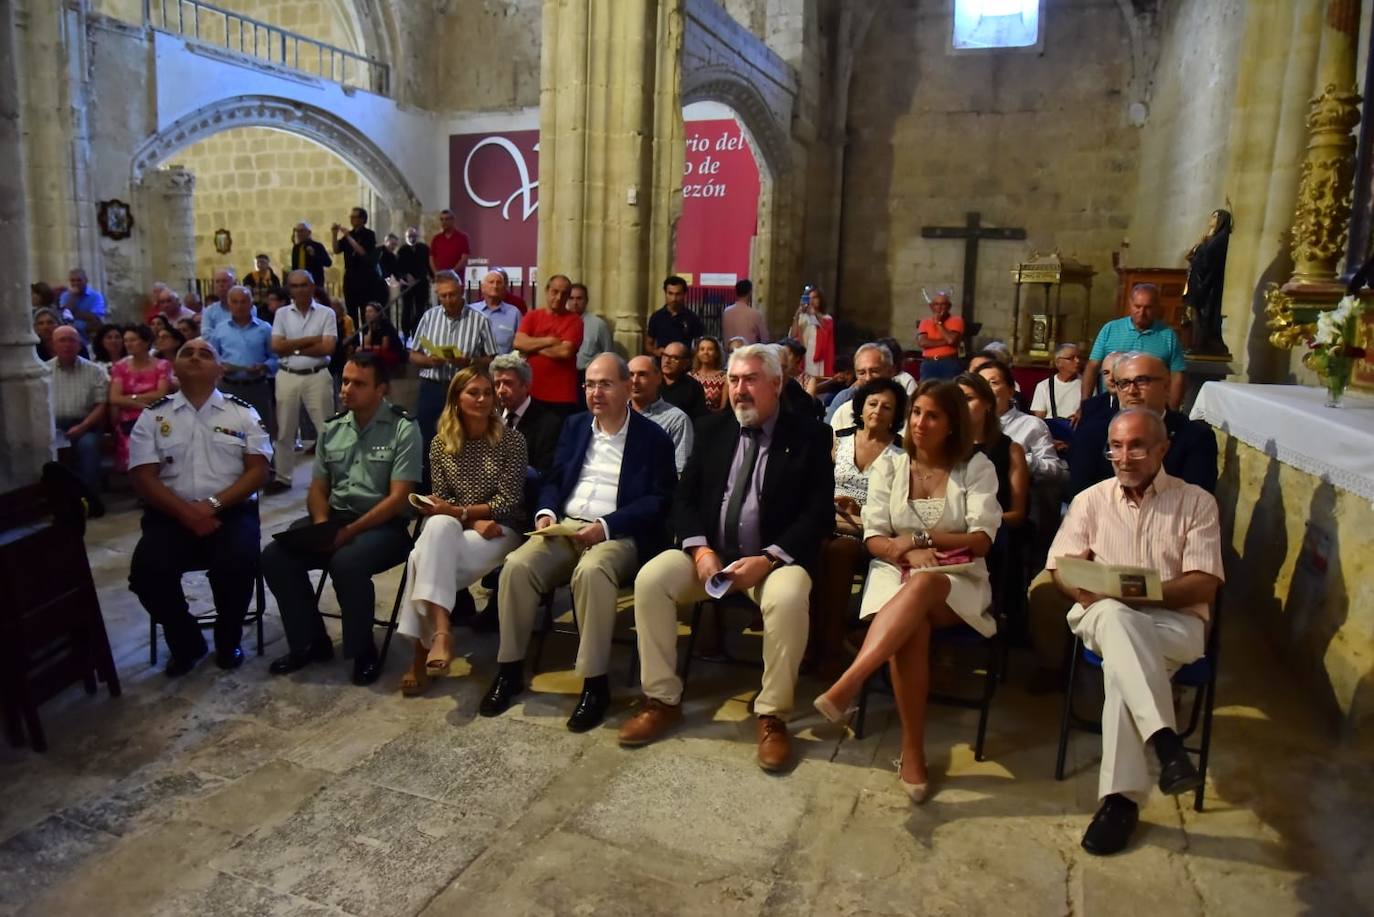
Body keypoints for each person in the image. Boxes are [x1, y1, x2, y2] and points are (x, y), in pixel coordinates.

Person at [620, 343, 834, 771]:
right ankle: (661, 699)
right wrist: (699, 549)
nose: (739, 390)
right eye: (734, 380)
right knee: (651, 580)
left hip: (773, 562)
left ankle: (772, 715)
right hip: (711, 557)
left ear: (776, 384)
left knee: (790, 597)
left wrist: (769, 559)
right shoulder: (712, 429)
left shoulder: (810, 436)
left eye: (750, 380)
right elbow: (684, 499)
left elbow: (818, 514)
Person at [1044, 408, 1223, 855]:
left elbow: (1204, 582)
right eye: (1116, 447)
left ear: (1162, 449)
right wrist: (1082, 587)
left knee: (1124, 663)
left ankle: (1122, 801)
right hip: (1100, 615)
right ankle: (1166, 747)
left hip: (1174, 624)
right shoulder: (1091, 500)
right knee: (1115, 619)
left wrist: (1142, 595)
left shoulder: (1196, 502)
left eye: (1138, 445)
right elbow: (1059, 568)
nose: (1124, 457)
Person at [814, 380, 1002, 801]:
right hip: (895, 573)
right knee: (911, 627)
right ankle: (912, 751)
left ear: (952, 423)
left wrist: (917, 542)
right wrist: (904, 554)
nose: (920, 422)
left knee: (928, 582)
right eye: (916, 412)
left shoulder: (976, 467)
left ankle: (851, 681)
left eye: (932, 415)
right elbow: (874, 536)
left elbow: (981, 539)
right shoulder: (891, 465)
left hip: (959, 579)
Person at [486, 353, 678, 732]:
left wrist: (605, 526)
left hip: (618, 532)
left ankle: (595, 684)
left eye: (605, 384)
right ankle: (509, 670)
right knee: (517, 566)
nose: (595, 392)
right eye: (589, 384)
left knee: (591, 571)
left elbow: (659, 500)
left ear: (627, 387)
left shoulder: (652, 437)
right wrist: (546, 511)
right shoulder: (574, 426)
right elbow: (553, 480)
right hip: (567, 525)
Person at [262, 353, 422, 685]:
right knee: (276, 557)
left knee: (347, 563)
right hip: (334, 519)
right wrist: (322, 525)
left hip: (384, 526)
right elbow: (317, 488)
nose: (346, 389)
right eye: (345, 381)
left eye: (358, 384)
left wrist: (348, 532)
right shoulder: (333, 429)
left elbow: (398, 498)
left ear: (381, 389)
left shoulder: (403, 428)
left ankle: (363, 650)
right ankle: (310, 642)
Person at [127, 338, 272, 675]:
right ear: (173, 368)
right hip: (169, 514)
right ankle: (186, 641)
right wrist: (186, 512)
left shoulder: (242, 413)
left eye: (205, 354)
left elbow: (259, 470)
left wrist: (212, 505)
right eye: (186, 353)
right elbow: (142, 477)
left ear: (220, 371)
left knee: (237, 564)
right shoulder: (153, 417)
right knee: (147, 573)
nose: (195, 357)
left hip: (230, 511)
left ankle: (228, 638)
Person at [396, 367, 527, 696]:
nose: (483, 399)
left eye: (487, 392)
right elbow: (442, 498)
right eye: (474, 392)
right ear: (456, 399)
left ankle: (421, 653)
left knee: (418, 558)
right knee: (437, 526)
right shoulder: (441, 443)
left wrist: (465, 513)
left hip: (501, 529)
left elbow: (509, 500)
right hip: (460, 527)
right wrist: (465, 517)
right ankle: (442, 631)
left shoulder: (511, 440)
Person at [808, 377, 907, 675]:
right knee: (813, 548)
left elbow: (900, 507)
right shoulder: (840, 438)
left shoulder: (902, 454)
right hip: (829, 521)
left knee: (839, 551)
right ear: (861, 406)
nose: (878, 410)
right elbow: (818, 484)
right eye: (873, 403)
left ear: (896, 415)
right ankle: (808, 641)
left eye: (887, 406)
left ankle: (831, 648)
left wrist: (863, 508)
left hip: (872, 531)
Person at [1068, 352, 1217, 497]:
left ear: (1166, 386)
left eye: (1142, 381)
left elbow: (1196, 498)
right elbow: (1080, 494)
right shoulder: (1090, 435)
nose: (1132, 391)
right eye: (1124, 383)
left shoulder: (1196, 438)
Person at [410, 269, 498, 456]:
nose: (449, 300)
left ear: (462, 290)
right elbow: (413, 355)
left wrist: (470, 361)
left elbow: (492, 359)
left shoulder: (480, 320)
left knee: (463, 440)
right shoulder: (429, 317)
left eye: (452, 294)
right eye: (443, 296)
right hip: (432, 387)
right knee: (428, 440)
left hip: (463, 388)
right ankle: (429, 483)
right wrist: (429, 361)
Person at [266, 270, 337, 495]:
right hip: (288, 375)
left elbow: (328, 347)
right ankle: (283, 477)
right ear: (290, 289)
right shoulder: (282, 314)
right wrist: (310, 341)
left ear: (312, 286)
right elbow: (277, 346)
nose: (299, 290)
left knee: (327, 430)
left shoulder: (326, 313)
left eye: (304, 285)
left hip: (317, 375)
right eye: (295, 286)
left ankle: (333, 478)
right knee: (285, 429)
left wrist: (292, 346)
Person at [1083, 283, 1186, 410]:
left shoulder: (1167, 335)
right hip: (1111, 404)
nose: (1142, 313)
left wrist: (1172, 409)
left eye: (1148, 308)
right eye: (1137, 306)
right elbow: (1092, 367)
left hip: (1151, 406)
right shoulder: (1110, 329)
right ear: (1130, 303)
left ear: (1156, 307)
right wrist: (1084, 405)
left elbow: (1177, 376)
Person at [48, 325, 109, 510]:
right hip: (53, 426)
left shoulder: (95, 371)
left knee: (88, 446)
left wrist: (82, 426)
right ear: (53, 345)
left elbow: (101, 406)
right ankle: (56, 503)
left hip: (86, 425)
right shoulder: (43, 370)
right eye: (62, 340)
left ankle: (88, 501)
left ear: (79, 343)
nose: (67, 344)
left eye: (72, 340)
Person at [976, 361, 1066, 485]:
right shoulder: (968, 424)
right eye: (980, 384)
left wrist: (1021, 460)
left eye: (993, 383)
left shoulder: (1031, 425)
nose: (986, 390)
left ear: (1011, 391)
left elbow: (1055, 470)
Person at [210, 285, 277, 440]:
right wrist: (220, 368)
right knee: (228, 430)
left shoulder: (265, 328)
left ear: (250, 304)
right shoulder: (220, 330)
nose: (239, 306)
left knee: (261, 430)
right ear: (229, 304)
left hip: (256, 387)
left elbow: (275, 358)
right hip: (228, 386)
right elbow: (213, 358)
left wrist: (265, 366)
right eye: (235, 302)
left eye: (243, 302)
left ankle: (265, 461)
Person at [109, 324, 174, 472]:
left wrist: (131, 398)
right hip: (129, 418)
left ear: (145, 342)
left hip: (158, 415)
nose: (128, 344)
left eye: (133, 340)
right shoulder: (119, 367)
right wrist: (141, 403)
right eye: (126, 340)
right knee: (133, 443)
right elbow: (115, 398)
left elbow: (161, 394)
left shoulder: (162, 365)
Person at [514, 274, 583, 410]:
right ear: (546, 291)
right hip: (531, 391)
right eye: (555, 292)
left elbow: (565, 352)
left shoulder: (574, 320)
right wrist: (550, 341)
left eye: (564, 294)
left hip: (561, 395)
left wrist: (532, 346)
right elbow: (518, 343)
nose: (558, 297)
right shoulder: (532, 316)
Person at [492, 351, 562, 478]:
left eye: (508, 383)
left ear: (525, 385)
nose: (501, 390)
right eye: (497, 384)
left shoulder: (548, 423)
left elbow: (545, 473)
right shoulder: (489, 417)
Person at [628, 355, 694, 473]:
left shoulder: (677, 420)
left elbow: (680, 471)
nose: (635, 381)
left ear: (658, 378)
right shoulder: (616, 414)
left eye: (642, 374)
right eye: (630, 375)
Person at [1184, 209, 1233, 355]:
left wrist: (1198, 255)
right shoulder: (1210, 237)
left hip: (1207, 283)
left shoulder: (1221, 238)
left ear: (1221, 220)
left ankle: (1203, 343)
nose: (1211, 219)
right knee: (1195, 313)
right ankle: (1197, 342)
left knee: (1204, 313)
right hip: (1198, 279)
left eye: (1215, 217)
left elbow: (1209, 260)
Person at [826, 342, 898, 431]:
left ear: (891, 371)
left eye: (874, 371)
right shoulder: (844, 404)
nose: (868, 378)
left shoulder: (906, 407)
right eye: (862, 373)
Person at [332, 206, 381, 319]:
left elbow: (362, 252)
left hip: (365, 278)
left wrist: (348, 237)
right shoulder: (348, 235)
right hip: (350, 277)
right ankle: (353, 336)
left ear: (362, 219)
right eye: (351, 217)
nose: (352, 219)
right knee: (351, 311)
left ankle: (366, 335)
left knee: (365, 311)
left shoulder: (369, 234)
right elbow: (336, 250)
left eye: (355, 217)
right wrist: (334, 235)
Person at [645, 275, 705, 357]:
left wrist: (688, 354)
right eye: (670, 293)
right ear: (665, 293)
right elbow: (648, 344)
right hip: (661, 363)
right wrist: (656, 352)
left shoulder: (693, 318)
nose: (674, 298)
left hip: (684, 364)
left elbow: (699, 344)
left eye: (678, 294)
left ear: (684, 294)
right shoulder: (656, 317)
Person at [470, 270, 521, 355]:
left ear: (504, 288)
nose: (495, 286)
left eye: (499, 283)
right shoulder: (470, 311)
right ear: (482, 287)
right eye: (491, 282)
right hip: (474, 365)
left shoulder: (514, 313)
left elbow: (520, 344)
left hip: (503, 366)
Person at [916, 291, 965, 380]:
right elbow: (922, 342)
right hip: (929, 363)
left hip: (949, 363)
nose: (939, 308)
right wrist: (945, 341)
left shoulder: (957, 320)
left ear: (949, 306)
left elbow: (951, 340)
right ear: (931, 307)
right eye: (936, 304)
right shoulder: (925, 322)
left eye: (943, 304)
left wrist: (939, 323)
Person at [572, 283, 614, 381]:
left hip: (588, 375)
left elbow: (608, 354)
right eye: (571, 298)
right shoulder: (561, 322)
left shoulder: (598, 325)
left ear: (586, 301)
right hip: (565, 376)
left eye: (579, 298)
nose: (575, 302)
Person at [790, 286, 835, 378]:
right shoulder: (803, 317)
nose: (812, 300)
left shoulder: (827, 318)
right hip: (805, 353)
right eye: (809, 298)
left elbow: (824, 328)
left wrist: (813, 313)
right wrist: (797, 315)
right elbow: (792, 335)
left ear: (820, 300)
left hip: (818, 355)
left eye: (815, 297)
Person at [396, 226, 433, 335]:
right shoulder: (402, 250)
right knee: (407, 308)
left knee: (421, 308)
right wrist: (405, 276)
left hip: (421, 283)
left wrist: (432, 276)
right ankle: (406, 332)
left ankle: (417, 330)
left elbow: (428, 264)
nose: (412, 238)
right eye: (409, 236)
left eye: (414, 236)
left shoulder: (424, 248)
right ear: (405, 237)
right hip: (407, 284)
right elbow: (398, 268)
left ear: (417, 237)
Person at [658, 341, 708, 418]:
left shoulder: (693, 387)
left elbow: (700, 419)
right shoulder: (652, 381)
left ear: (686, 364)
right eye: (665, 355)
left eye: (674, 358)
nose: (667, 361)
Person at [776, 337, 822, 418]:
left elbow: (807, 405)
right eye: (782, 355)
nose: (784, 358)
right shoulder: (776, 377)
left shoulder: (809, 380)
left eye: (788, 354)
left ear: (797, 357)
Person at [355, 301, 406, 371]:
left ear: (378, 313)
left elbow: (385, 346)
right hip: (377, 352)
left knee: (363, 351)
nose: (367, 314)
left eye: (370, 311)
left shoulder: (385, 324)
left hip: (393, 352)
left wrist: (366, 348)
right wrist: (370, 328)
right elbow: (366, 344)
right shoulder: (368, 326)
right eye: (366, 312)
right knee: (361, 352)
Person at [59, 268, 106, 340]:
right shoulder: (65, 296)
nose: (76, 283)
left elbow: (95, 318)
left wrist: (73, 313)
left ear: (86, 280)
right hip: (70, 334)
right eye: (73, 280)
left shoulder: (96, 296)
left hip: (90, 334)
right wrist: (73, 297)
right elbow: (65, 316)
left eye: (79, 280)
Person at [1079, 350, 1124, 424]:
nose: (1111, 378)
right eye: (1106, 373)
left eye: (1116, 371)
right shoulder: (1090, 406)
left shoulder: (1141, 404)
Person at [720, 278, 769, 345]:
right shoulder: (755, 314)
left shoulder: (726, 312)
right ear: (750, 292)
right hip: (748, 353)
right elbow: (765, 339)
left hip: (730, 353)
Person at [689, 335, 727, 412]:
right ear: (697, 353)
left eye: (710, 349)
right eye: (702, 349)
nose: (705, 352)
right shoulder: (689, 376)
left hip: (714, 419)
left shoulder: (724, 377)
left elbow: (723, 408)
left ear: (716, 353)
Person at [429, 208, 471, 277]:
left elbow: (464, 258)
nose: (444, 222)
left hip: (456, 278)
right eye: (442, 219)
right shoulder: (436, 239)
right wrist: (435, 273)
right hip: (440, 278)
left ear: (453, 220)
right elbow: (431, 258)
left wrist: (452, 273)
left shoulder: (462, 237)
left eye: (447, 219)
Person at [290, 221, 333, 288]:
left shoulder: (317, 246)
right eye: (297, 231)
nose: (299, 234)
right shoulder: (296, 248)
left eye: (301, 231)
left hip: (315, 283)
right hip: (299, 283)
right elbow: (295, 267)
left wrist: (314, 254)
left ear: (309, 232)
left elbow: (328, 263)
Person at [200, 268, 237, 337]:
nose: (221, 285)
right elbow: (206, 335)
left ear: (234, 284)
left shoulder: (246, 308)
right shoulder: (209, 311)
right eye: (217, 282)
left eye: (224, 281)